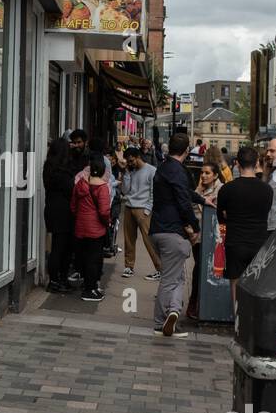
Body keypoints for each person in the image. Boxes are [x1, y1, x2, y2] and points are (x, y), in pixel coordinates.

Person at [150, 132, 202, 337]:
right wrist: (195, 226)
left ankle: (173, 312)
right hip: (172, 232)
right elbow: (183, 200)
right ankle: (160, 322)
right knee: (170, 279)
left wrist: (202, 199)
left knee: (179, 277)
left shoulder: (162, 167)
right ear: (187, 150)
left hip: (157, 228)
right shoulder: (179, 172)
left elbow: (185, 193)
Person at [217, 145, 273, 304]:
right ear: (256, 163)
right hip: (259, 243)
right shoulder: (267, 190)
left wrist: (230, 216)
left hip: (235, 242)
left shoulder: (227, 189)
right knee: (255, 286)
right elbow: (265, 213)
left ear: (237, 164)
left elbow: (220, 217)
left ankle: (238, 324)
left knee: (235, 284)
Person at [185, 162, 224, 322]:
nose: (203, 175)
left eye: (207, 173)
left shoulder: (221, 190)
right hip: (198, 237)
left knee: (205, 270)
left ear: (215, 175)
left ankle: (202, 304)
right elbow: (191, 210)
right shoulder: (198, 190)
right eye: (202, 173)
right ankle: (194, 304)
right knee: (199, 268)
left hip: (213, 237)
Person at [71, 155, 111, 302]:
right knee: (94, 260)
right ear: (102, 172)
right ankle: (90, 290)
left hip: (80, 227)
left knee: (84, 257)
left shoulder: (80, 185)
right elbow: (104, 212)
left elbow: (73, 206)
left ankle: (89, 286)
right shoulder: (102, 188)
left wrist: (80, 217)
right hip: (95, 230)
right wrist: (107, 223)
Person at [119, 146, 162, 280]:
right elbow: (125, 191)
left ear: (138, 157)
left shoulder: (151, 170)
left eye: (131, 161)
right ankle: (129, 267)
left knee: (149, 240)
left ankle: (160, 269)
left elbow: (153, 192)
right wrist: (126, 171)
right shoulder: (130, 171)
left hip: (143, 210)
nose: (130, 163)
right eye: (128, 161)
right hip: (129, 207)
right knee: (129, 240)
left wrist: (147, 210)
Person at [42, 138, 77, 292]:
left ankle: (57, 279)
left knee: (58, 246)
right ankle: (56, 280)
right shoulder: (62, 171)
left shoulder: (49, 167)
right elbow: (71, 190)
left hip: (52, 209)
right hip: (63, 212)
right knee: (61, 248)